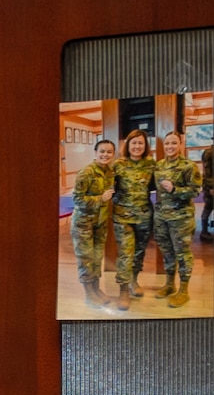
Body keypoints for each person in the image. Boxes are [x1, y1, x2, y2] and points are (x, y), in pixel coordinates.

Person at [151, 128, 198, 307]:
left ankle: (183, 290)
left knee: (182, 253)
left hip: (181, 218)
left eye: (174, 143)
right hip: (162, 217)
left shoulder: (188, 166)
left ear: (180, 144)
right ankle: (170, 284)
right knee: (167, 252)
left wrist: (175, 189)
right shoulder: (159, 165)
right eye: (167, 143)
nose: (170, 146)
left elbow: (195, 190)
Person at [69, 137, 117, 310]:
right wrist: (100, 198)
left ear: (113, 154)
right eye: (102, 151)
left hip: (100, 223)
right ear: (96, 153)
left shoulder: (110, 172)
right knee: (86, 259)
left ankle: (96, 289)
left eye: (109, 152)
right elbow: (77, 199)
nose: (105, 155)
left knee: (96, 258)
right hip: (83, 224)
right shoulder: (86, 172)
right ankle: (89, 294)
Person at [110, 130, 156, 303]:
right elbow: (109, 186)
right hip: (123, 217)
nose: (137, 146)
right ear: (128, 144)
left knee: (138, 252)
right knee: (125, 254)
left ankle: (133, 280)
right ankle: (123, 291)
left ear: (145, 146)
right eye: (134, 143)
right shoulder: (118, 164)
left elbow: (154, 186)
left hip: (144, 216)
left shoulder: (151, 164)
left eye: (140, 143)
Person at [202, 140, 214, 242]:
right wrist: (211, 187)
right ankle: (204, 232)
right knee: (208, 207)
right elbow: (207, 172)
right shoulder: (209, 153)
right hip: (210, 186)